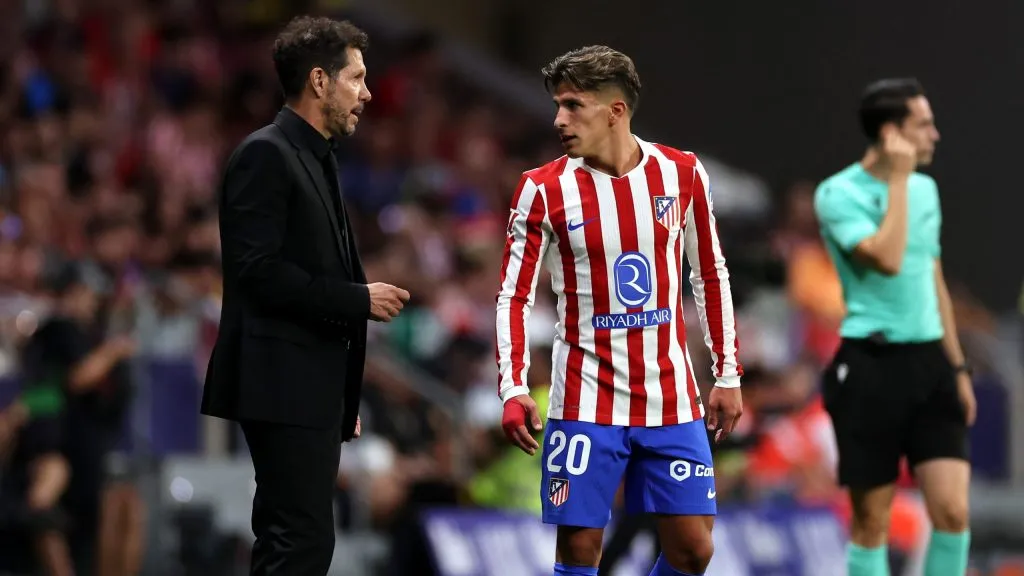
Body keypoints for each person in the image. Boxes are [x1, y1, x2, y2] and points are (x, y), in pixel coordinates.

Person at [495, 45, 744, 576]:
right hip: (585, 397)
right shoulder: (542, 189)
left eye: (573, 105)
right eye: (557, 106)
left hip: (669, 396)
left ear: (615, 110)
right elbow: (513, 295)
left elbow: (710, 273)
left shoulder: (682, 173)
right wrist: (513, 387)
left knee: (693, 551)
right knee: (580, 551)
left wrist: (727, 373)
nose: (559, 120)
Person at [201, 16, 410, 576]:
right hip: (279, 383)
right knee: (298, 541)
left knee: (303, 541)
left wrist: (340, 397)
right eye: (356, 78)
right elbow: (257, 272)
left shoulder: (317, 157)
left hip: (308, 388)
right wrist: (358, 299)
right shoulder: (265, 154)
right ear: (319, 80)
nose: (367, 93)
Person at [814, 78, 973, 576]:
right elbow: (886, 258)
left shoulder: (927, 189)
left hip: (930, 363)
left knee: (952, 512)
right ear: (891, 134)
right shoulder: (837, 194)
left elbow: (932, 276)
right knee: (871, 522)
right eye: (924, 125)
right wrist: (898, 183)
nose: (935, 135)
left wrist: (958, 367)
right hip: (871, 367)